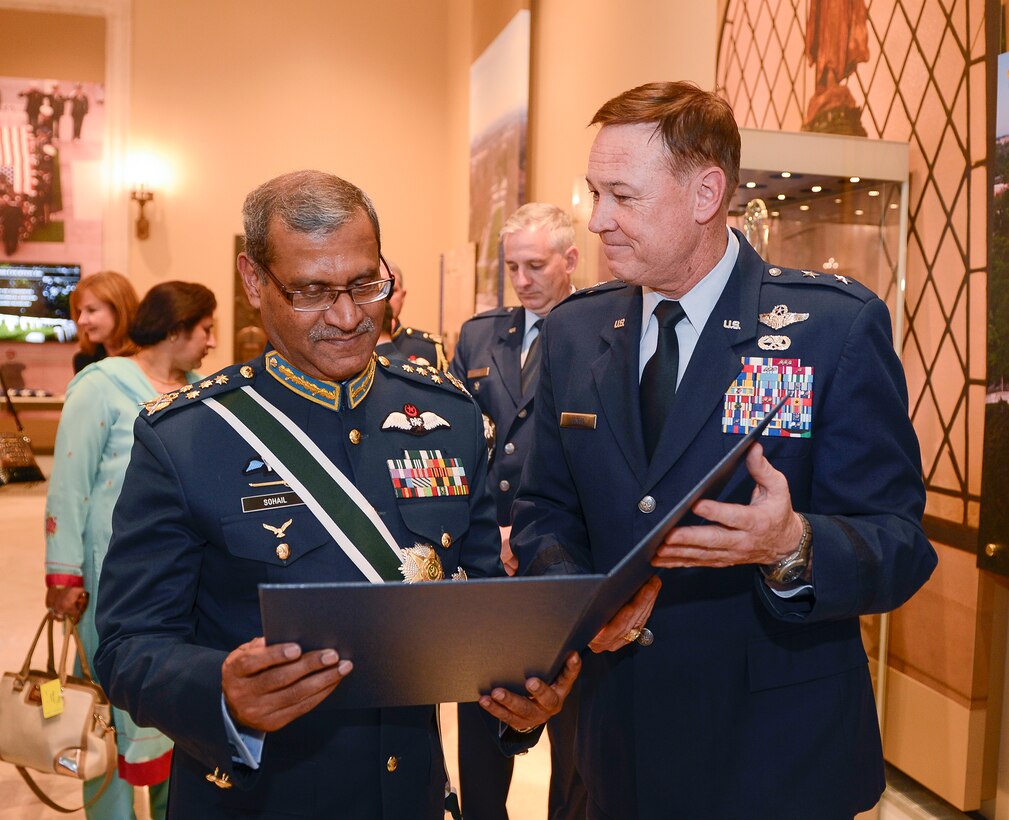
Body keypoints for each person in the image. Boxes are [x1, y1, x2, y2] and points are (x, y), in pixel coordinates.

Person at [510, 81, 938, 819]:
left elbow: (898, 542)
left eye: (622, 196)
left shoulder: (829, 330)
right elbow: (544, 507)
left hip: (771, 762)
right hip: (608, 749)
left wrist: (792, 543)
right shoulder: (575, 332)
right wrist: (581, 597)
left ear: (706, 192)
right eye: (593, 194)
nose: (599, 222)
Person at [93, 170, 577, 819]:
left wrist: (520, 708)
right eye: (313, 292)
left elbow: (479, 617)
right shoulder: (186, 437)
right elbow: (126, 646)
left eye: (363, 284)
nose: (348, 317)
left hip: (406, 795)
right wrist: (220, 693)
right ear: (253, 279)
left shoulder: (450, 417)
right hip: (257, 799)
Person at [45, 281, 218, 819]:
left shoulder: (199, 392)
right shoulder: (100, 385)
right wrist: (64, 576)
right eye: (206, 329)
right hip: (110, 585)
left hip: (182, 584)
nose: (213, 341)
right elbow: (69, 485)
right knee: (109, 714)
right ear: (175, 329)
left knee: (175, 707)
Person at [450, 202, 583, 820]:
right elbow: (454, 441)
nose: (522, 279)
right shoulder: (480, 334)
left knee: (574, 729)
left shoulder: (600, 327)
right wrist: (484, 527)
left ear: (570, 261)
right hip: (486, 555)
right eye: (512, 266)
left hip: (566, 553)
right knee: (483, 717)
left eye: (536, 265)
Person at [70, 271, 140, 373]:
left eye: (91, 310)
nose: (81, 320)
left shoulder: (151, 358)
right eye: (79, 312)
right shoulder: (84, 361)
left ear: (119, 310)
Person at [385, 259, 449, 369]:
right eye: (381, 289)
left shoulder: (428, 348)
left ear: (403, 296)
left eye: (392, 290)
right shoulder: (356, 346)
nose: (387, 297)